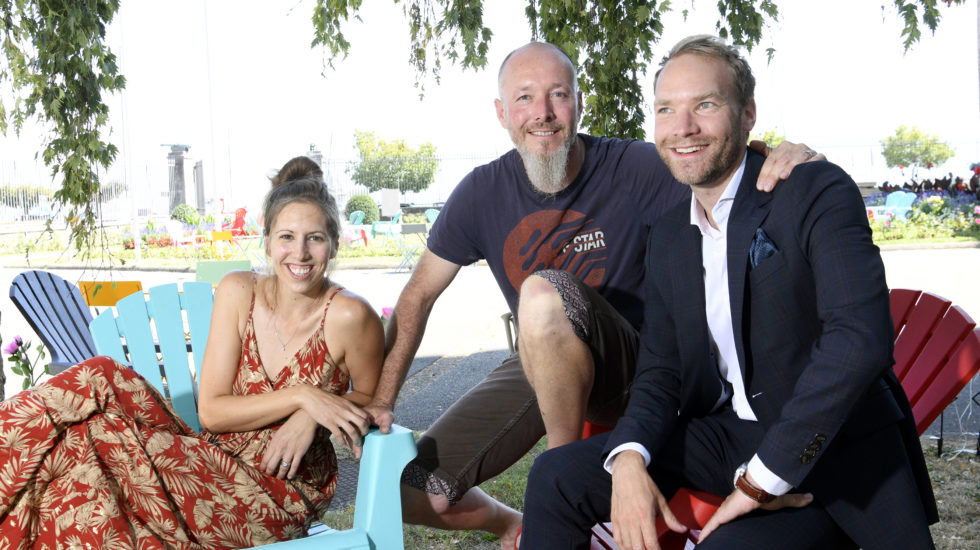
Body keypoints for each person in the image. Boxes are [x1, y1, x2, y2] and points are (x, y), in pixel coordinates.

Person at [366, 40, 822, 548]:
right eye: (524, 98)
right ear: (501, 113)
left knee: (541, 294)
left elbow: (714, 159)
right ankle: (520, 522)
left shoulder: (634, 167)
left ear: (579, 104)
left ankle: (563, 490)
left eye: (558, 95)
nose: (541, 113)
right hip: (542, 359)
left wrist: (784, 156)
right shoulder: (480, 193)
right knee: (408, 492)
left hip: (642, 373)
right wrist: (381, 402)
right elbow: (417, 296)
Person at [521, 35, 938, 549]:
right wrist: (628, 455)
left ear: (747, 114)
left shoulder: (812, 190)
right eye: (666, 109)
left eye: (706, 105)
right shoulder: (670, 234)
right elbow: (662, 371)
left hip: (828, 451)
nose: (683, 128)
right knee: (553, 477)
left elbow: (859, 341)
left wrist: (761, 478)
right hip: (726, 436)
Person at [0, 156, 384, 548]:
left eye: (315, 238)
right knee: (99, 380)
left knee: (91, 441)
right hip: (209, 459)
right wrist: (305, 396)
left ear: (334, 244)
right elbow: (213, 414)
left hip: (281, 490)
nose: (299, 253)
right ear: (267, 241)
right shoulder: (239, 291)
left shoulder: (350, 316)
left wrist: (311, 418)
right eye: (287, 237)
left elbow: (374, 397)